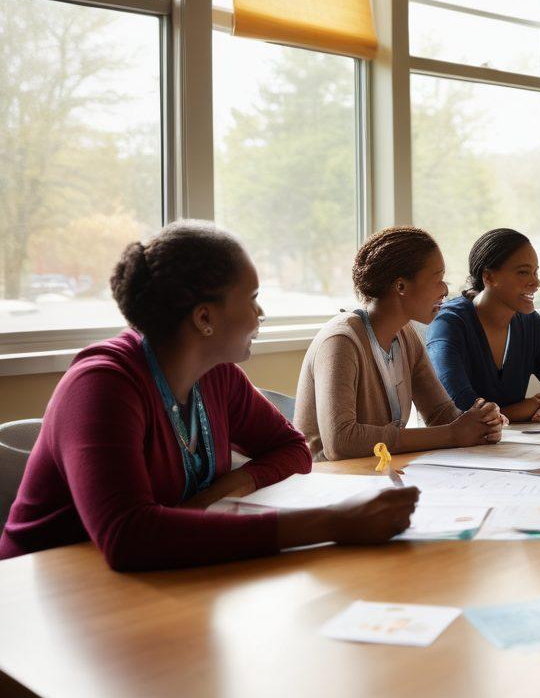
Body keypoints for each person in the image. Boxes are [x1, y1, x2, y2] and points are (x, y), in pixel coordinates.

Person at [0, 221, 418, 571]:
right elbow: (129, 536)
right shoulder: (100, 386)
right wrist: (331, 524)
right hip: (45, 593)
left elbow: (291, 448)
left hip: (159, 579)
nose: (260, 314)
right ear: (204, 318)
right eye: (252, 299)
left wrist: (214, 496)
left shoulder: (217, 374)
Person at [295, 226, 505, 461]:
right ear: (401, 286)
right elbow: (341, 442)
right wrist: (451, 434)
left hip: (378, 475)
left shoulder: (406, 335)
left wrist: (481, 423)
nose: (445, 289)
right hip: (328, 483)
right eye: (438, 278)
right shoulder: (341, 342)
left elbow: (440, 413)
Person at [426, 229, 540, 422]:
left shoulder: (532, 324)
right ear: (489, 277)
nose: (536, 282)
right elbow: (463, 409)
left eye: (535, 272)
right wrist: (526, 408)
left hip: (510, 446)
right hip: (460, 450)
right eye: (523, 272)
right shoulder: (449, 324)